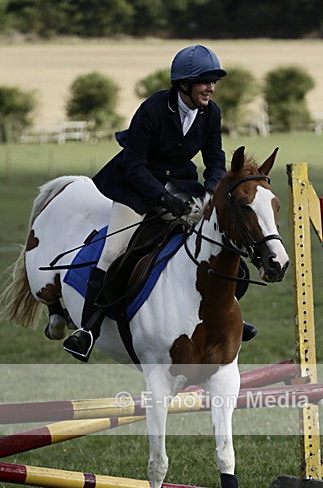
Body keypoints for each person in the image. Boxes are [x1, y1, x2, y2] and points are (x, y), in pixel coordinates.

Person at [63, 44, 257, 362]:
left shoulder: (211, 112)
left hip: (182, 185)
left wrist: (208, 195)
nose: (211, 87)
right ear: (183, 83)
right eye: (204, 81)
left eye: (214, 81)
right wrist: (163, 200)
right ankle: (88, 330)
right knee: (114, 252)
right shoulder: (153, 109)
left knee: (218, 246)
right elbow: (134, 164)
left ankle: (226, 316)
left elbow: (215, 159)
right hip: (136, 187)